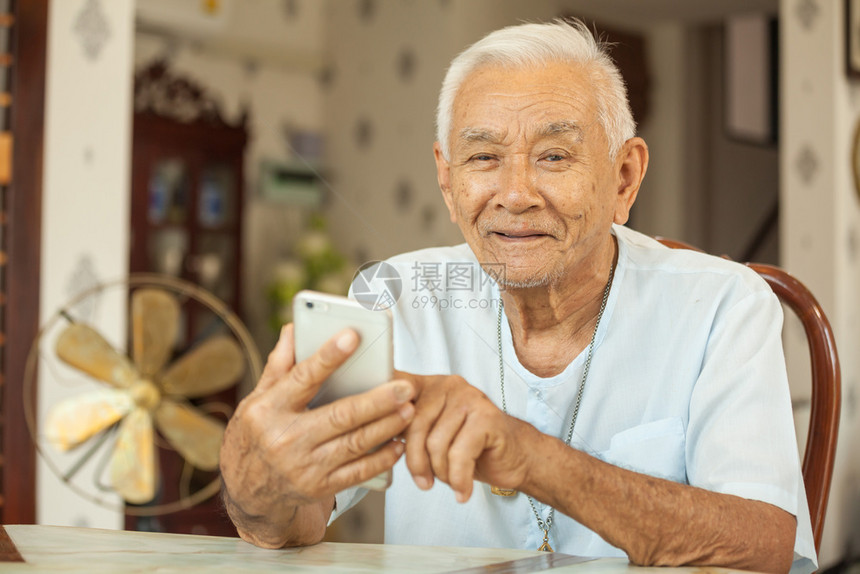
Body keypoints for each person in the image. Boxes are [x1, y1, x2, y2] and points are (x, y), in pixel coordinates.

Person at [220, 19, 815, 574]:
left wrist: (533, 458)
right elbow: (294, 520)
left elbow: (762, 549)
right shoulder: (394, 295)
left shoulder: (723, 305)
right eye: (483, 158)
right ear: (448, 183)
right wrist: (257, 470)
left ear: (625, 178)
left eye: (554, 156)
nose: (515, 193)